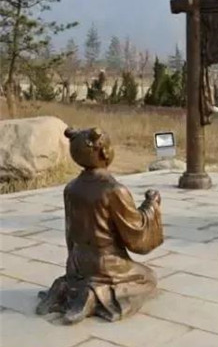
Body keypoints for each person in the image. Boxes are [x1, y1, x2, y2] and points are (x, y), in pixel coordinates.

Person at [36, 127, 163, 324]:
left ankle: (67, 287)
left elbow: (70, 231)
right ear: (104, 152)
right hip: (106, 262)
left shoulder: (71, 188)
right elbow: (136, 229)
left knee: (81, 278)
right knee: (148, 278)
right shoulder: (113, 190)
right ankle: (97, 293)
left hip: (77, 261)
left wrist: (72, 265)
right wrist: (151, 205)